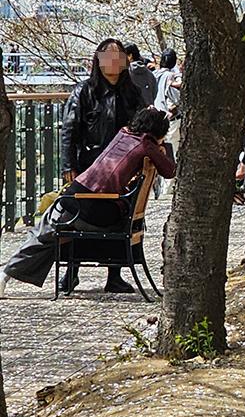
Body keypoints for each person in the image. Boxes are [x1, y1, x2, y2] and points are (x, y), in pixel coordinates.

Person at [1, 108, 176, 297]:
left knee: (45, 230)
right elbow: (170, 170)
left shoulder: (123, 133)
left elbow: (168, 171)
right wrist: (162, 146)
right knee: (49, 228)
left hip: (86, 202)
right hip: (94, 206)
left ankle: (7, 275)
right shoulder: (147, 145)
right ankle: (11, 275)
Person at [58, 38, 147, 292]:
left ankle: (115, 274)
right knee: (76, 214)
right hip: (89, 167)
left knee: (118, 215)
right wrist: (68, 166)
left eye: (118, 55)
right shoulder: (84, 91)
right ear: (97, 60)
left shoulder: (132, 93)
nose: (113, 60)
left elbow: (143, 129)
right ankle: (71, 270)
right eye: (107, 54)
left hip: (123, 169)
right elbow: (69, 132)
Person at [153, 48, 183, 198]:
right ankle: (167, 190)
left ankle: (157, 190)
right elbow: (178, 99)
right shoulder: (172, 76)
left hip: (154, 121)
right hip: (170, 120)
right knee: (171, 153)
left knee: (156, 154)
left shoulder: (153, 75)